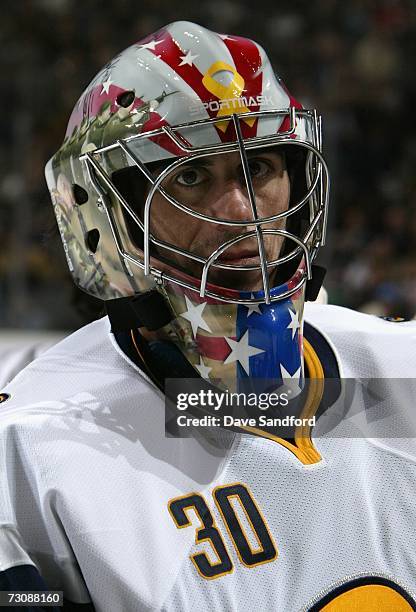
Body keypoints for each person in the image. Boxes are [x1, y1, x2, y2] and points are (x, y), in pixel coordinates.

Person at [1, 21, 416, 612]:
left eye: (262, 167)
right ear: (105, 219)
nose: (242, 210)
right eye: (190, 177)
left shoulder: (405, 370)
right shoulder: (30, 449)